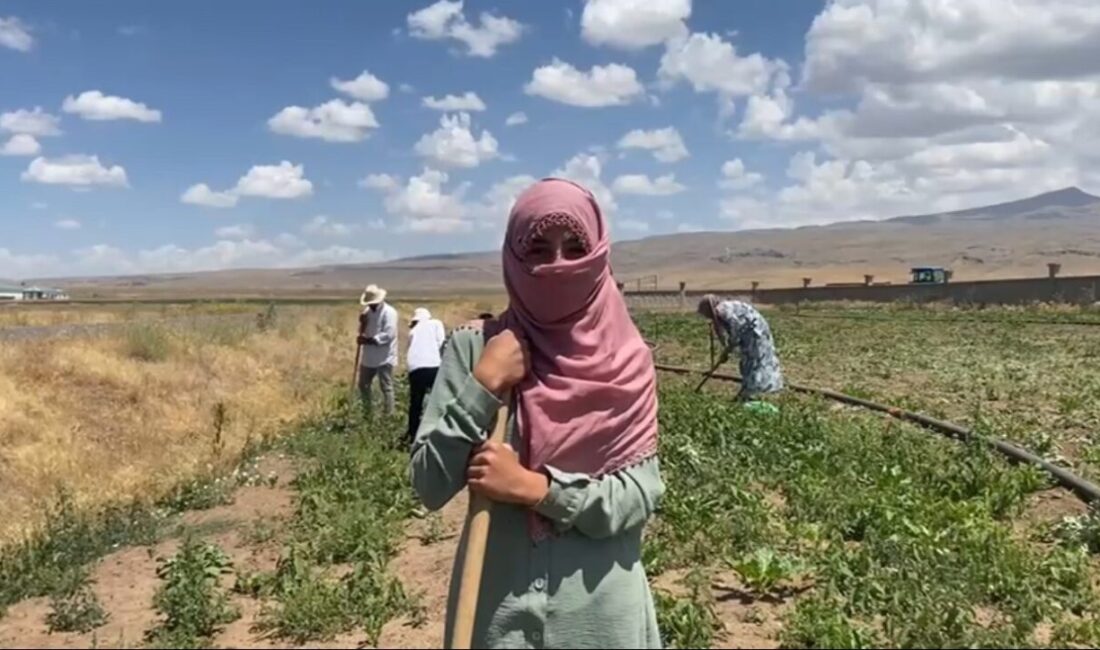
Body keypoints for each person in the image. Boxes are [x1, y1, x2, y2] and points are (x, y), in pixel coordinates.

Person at [410, 178, 664, 649]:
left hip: (600, 622)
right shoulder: (475, 349)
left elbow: (637, 496)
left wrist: (536, 489)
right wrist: (483, 387)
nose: (558, 265)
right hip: (499, 620)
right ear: (513, 256)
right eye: (539, 250)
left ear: (599, 253)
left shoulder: (628, 362)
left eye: (575, 248)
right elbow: (429, 484)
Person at [697, 294, 784, 400]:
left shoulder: (723, 310)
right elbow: (730, 332)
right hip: (751, 332)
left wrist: (730, 347)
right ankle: (752, 388)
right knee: (750, 361)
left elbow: (736, 327)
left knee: (755, 360)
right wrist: (727, 349)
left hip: (755, 332)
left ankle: (755, 390)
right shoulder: (723, 309)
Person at [406, 307, 446, 446]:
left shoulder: (412, 331)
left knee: (415, 403)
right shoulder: (436, 323)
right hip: (433, 365)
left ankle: (413, 434)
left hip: (414, 368)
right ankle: (439, 432)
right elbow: (442, 343)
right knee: (439, 400)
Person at [357, 284, 398, 416]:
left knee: (386, 387)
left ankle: (388, 415)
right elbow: (363, 331)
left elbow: (389, 335)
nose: (370, 305)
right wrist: (362, 324)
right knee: (363, 384)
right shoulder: (367, 312)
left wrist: (368, 341)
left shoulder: (389, 312)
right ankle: (367, 413)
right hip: (368, 357)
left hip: (384, 356)